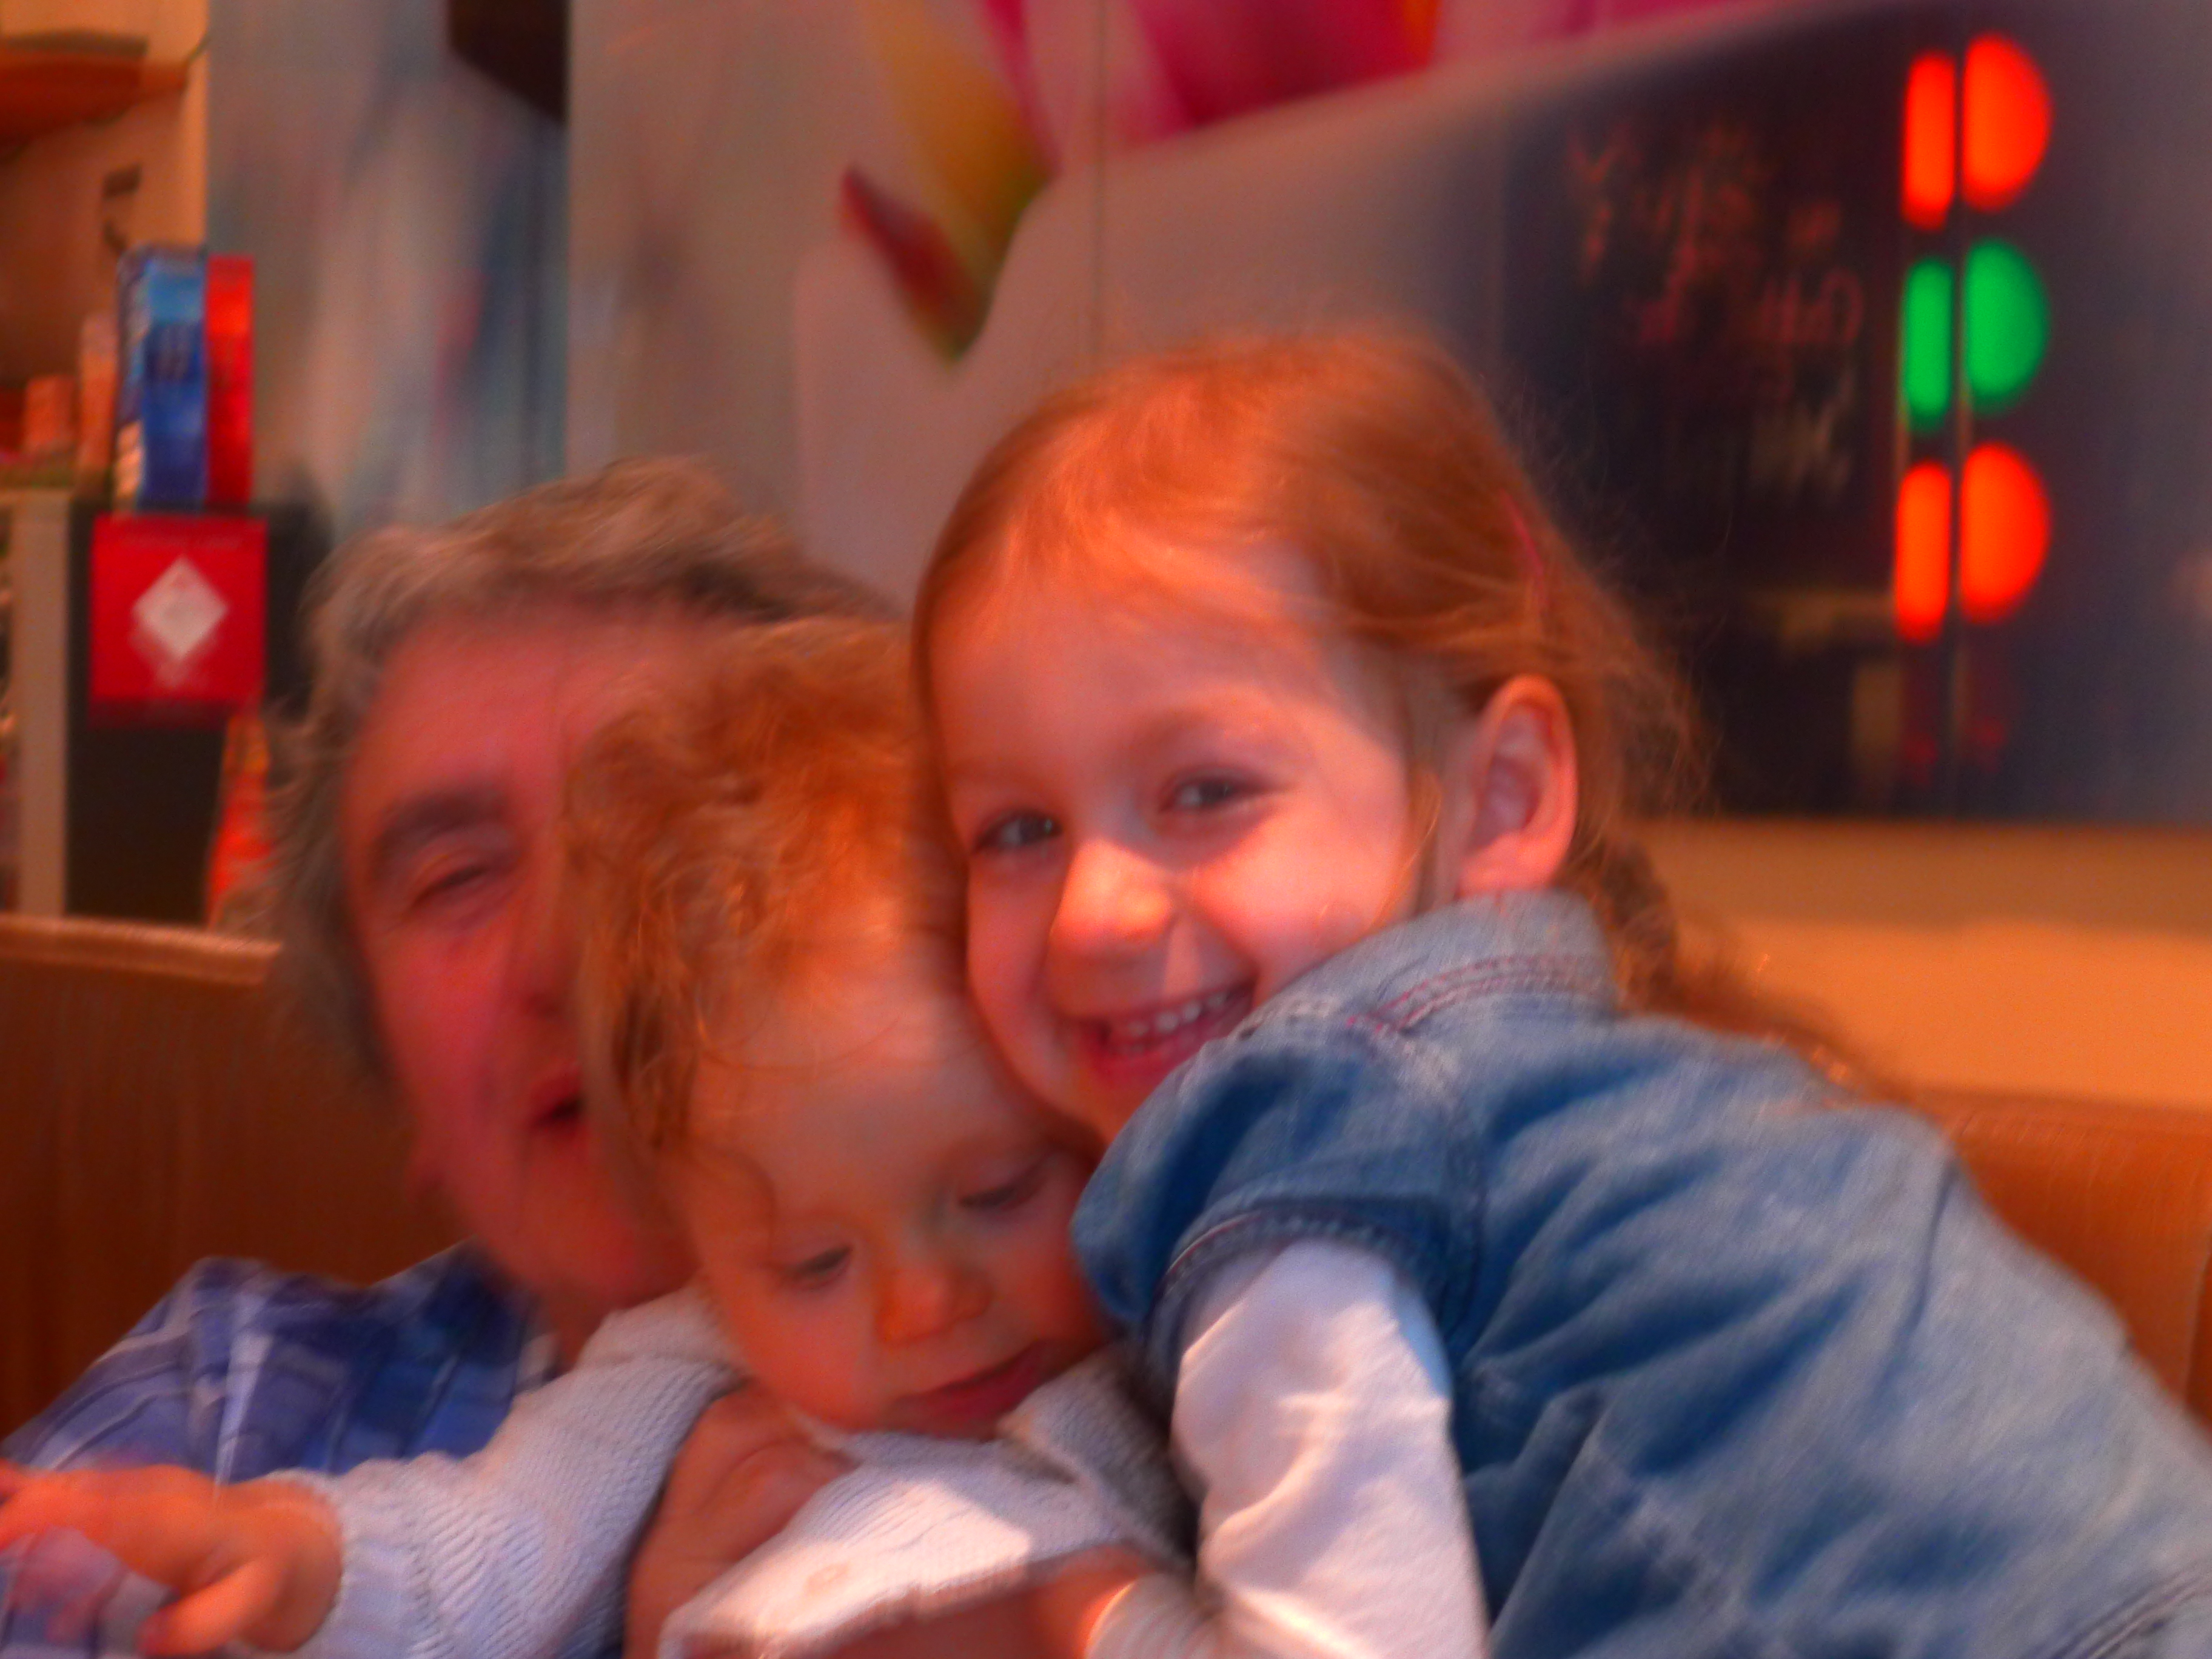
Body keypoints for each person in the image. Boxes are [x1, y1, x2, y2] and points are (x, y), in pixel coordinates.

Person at [912, 331, 2212, 1657]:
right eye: (1017, 831)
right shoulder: (1601, 1085)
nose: (1093, 914)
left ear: (1503, 797)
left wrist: (1079, 1602)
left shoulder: (1297, 1136)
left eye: (1205, 792)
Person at [0, 622, 1187, 1659]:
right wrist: (294, 1553)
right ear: (699, 1236)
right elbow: (485, 1554)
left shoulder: (1192, 1326)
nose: (924, 1308)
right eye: (813, 1263)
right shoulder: (686, 1366)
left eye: (1000, 1191)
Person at [0, 460, 876, 1654]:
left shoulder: (1113, 1380)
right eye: (457, 879)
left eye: (660, 822)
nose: (565, 950)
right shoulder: (220, 1417)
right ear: (399, 1080)